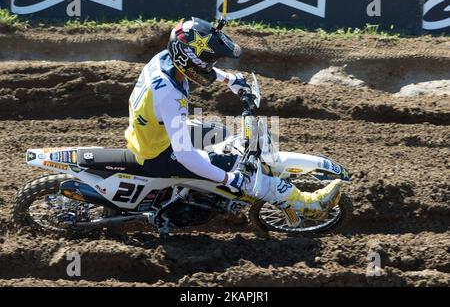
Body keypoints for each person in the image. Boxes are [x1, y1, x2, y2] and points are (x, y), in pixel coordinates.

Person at [125, 17, 342, 222]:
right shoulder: (170, 96)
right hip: (159, 154)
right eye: (209, 62)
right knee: (243, 176)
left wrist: (229, 79)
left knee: (220, 132)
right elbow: (185, 155)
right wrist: (230, 179)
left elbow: (198, 67)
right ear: (191, 60)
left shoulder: (163, 60)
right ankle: (311, 206)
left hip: (150, 135)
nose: (211, 66)